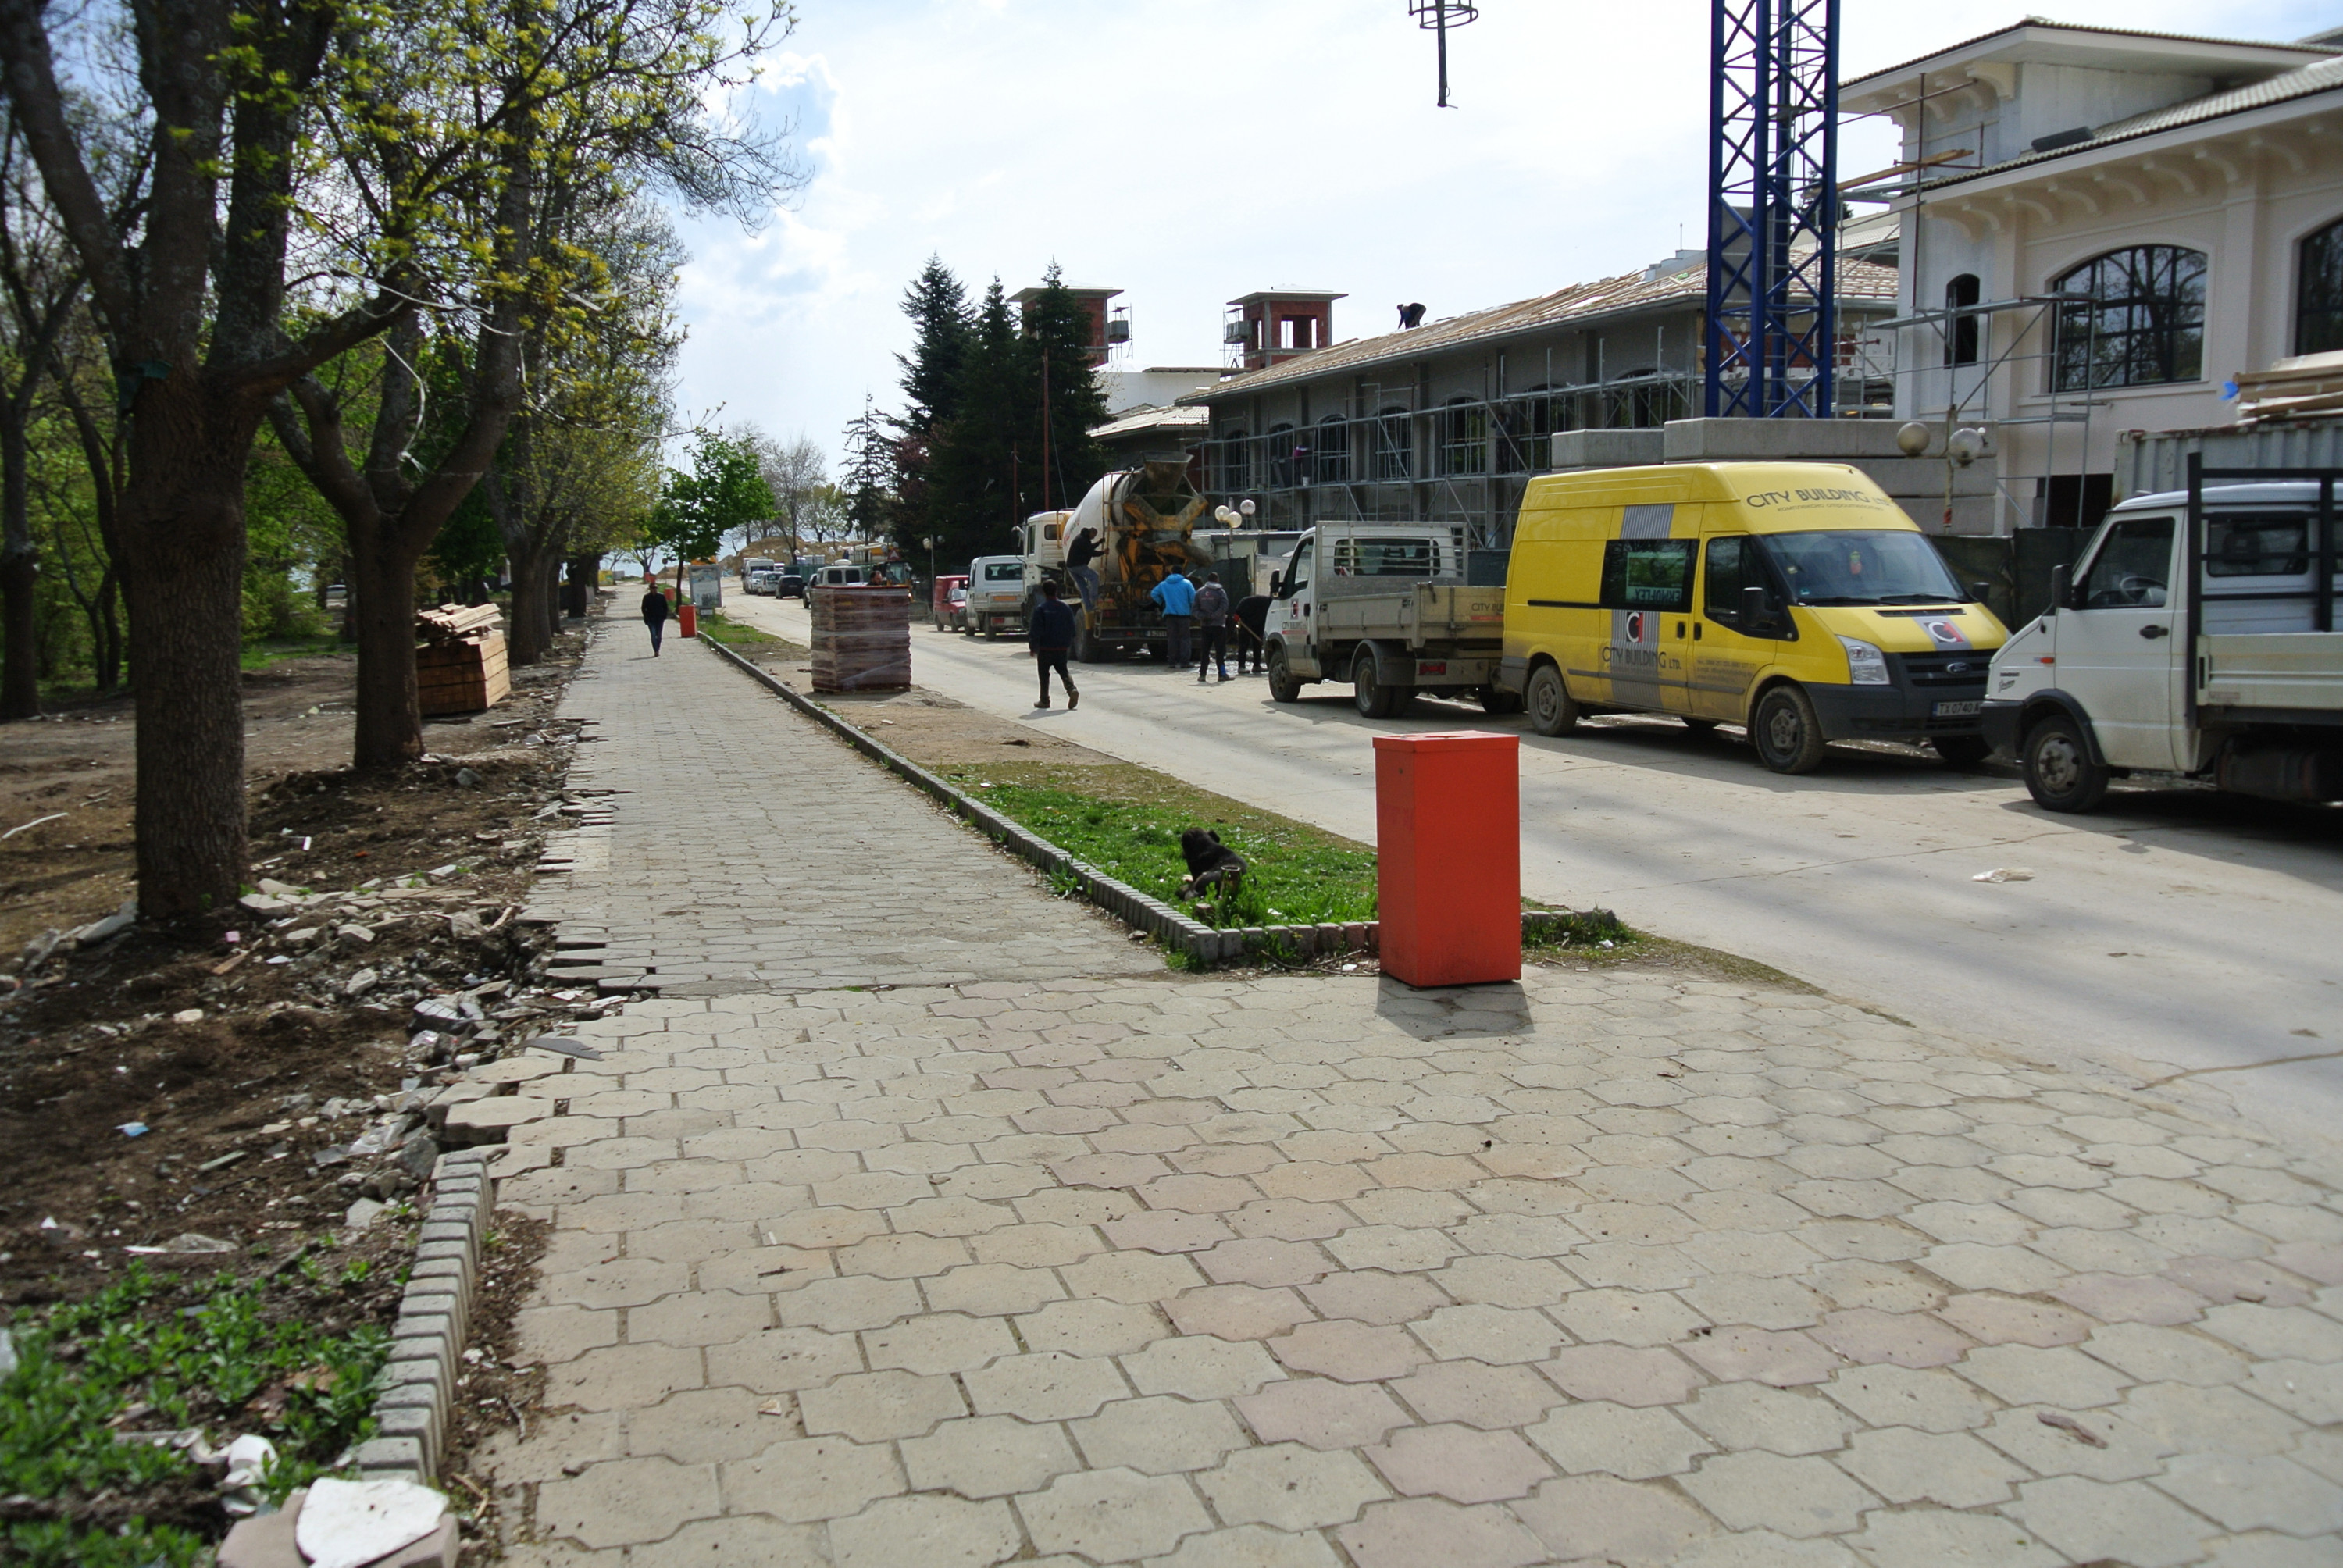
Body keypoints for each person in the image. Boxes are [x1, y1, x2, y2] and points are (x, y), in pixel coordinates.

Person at [1028, 579, 1079, 710]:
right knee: (1063, 670)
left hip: (1045, 648)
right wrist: (1068, 642)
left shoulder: (1041, 609)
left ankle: (1044, 700)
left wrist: (1033, 647)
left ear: (1044, 593)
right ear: (1056, 591)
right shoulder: (1065, 608)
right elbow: (1073, 628)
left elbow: (1036, 630)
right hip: (1061, 647)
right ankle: (1071, 689)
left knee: (1044, 674)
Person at [1151, 568, 1196, 670]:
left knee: (1172, 639)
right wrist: (1191, 608)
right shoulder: (1187, 583)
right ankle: (1184, 662)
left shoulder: (1164, 584)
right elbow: (1193, 599)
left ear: (1172, 572)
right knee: (1185, 639)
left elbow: (1153, 593)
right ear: (1182, 572)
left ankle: (1172, 662)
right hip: (1184, 616)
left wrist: (1162, 602)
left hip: (1170, 616)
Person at [1193, 571, 1232, 683]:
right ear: (1217, 580)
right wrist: (1214, 616)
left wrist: (1203, 617)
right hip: (1219, 626)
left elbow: (1194, 609)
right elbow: (1224, 606)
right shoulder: (1220, 592)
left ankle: (1202, 675)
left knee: (1205, 651)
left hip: (1205, 627)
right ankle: (1222, 674)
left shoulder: (1200, 592)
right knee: (1220, 652)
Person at [1064, 525, 1102, 617]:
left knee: (1083, 587)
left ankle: (1089, 607)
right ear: (1091, 533)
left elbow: (1089, 547)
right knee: (1094, 577)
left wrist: (1099, 543)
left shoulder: (1081, 538)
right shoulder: (1083, 540)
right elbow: (1092, 552)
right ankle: (1094, 598)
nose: (1094, 537)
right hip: (1078, 565)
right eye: (1094, 536)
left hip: (1071, 567)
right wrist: (1103, 552)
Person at [1235, 591, 1272, 675]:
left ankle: (1256, 666)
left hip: (1257, 623)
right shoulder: (1269, 605)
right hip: (1245, 622)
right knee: (1244, 645)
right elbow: (1242, 604)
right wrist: (1237, 615)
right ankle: (1241, 666)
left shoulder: (1267, 603)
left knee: (1257, 643)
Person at [641, 582, 670, 657]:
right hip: (651, 619)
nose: (655, 589)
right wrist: (646, 617)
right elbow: (644, 608)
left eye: (656, 588)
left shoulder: (661, 597)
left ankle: (658, 648)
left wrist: (664, 616)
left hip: (660, 619)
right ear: (650, 589)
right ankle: (656, 650)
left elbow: (665, 607)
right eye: (653, 588)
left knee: (659, 635)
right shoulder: (646, 597)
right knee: (653, 635)